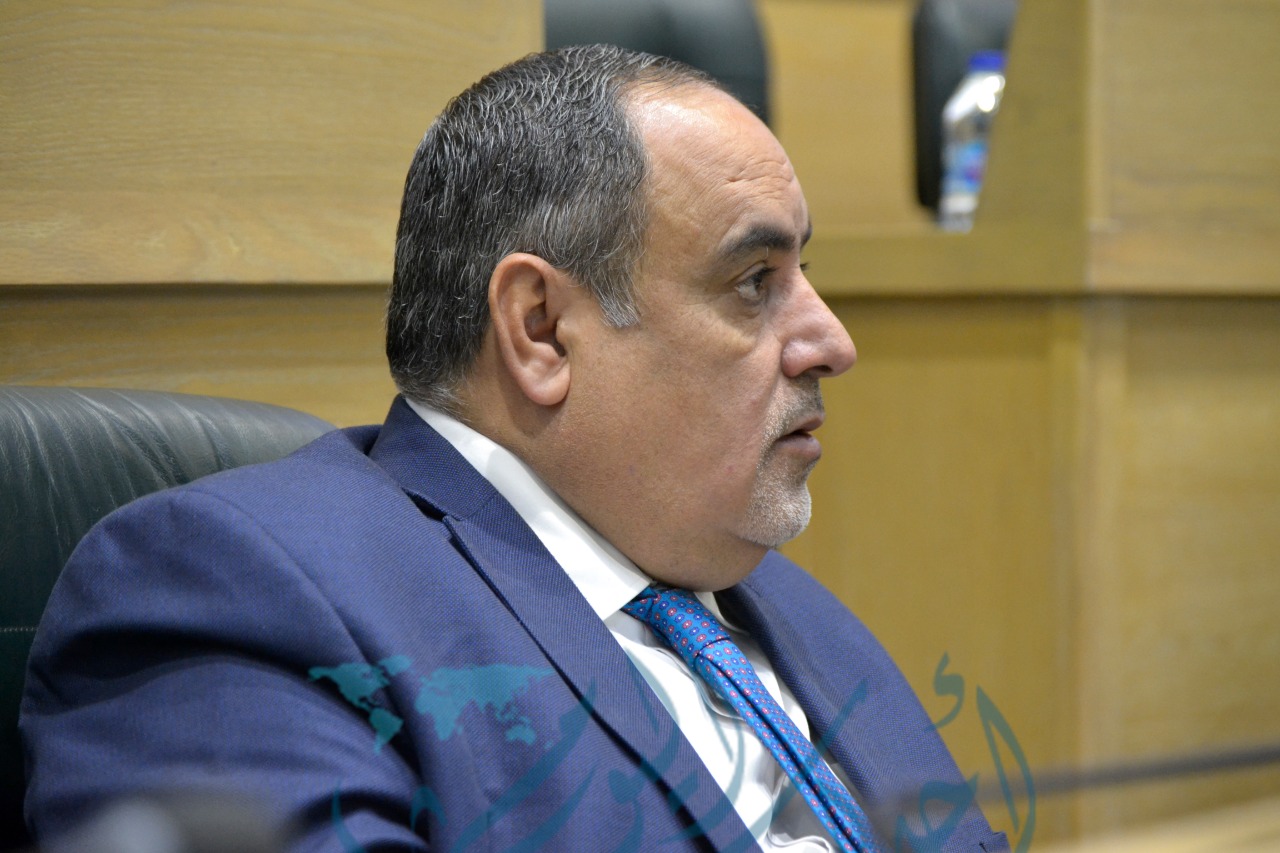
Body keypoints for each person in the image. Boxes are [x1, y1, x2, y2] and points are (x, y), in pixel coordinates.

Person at [22, 46, 1008, 852]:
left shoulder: (792, 613)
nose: (832, 341)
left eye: (804, 276)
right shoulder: (238, 590)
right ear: (541, 330)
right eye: (754, 282)